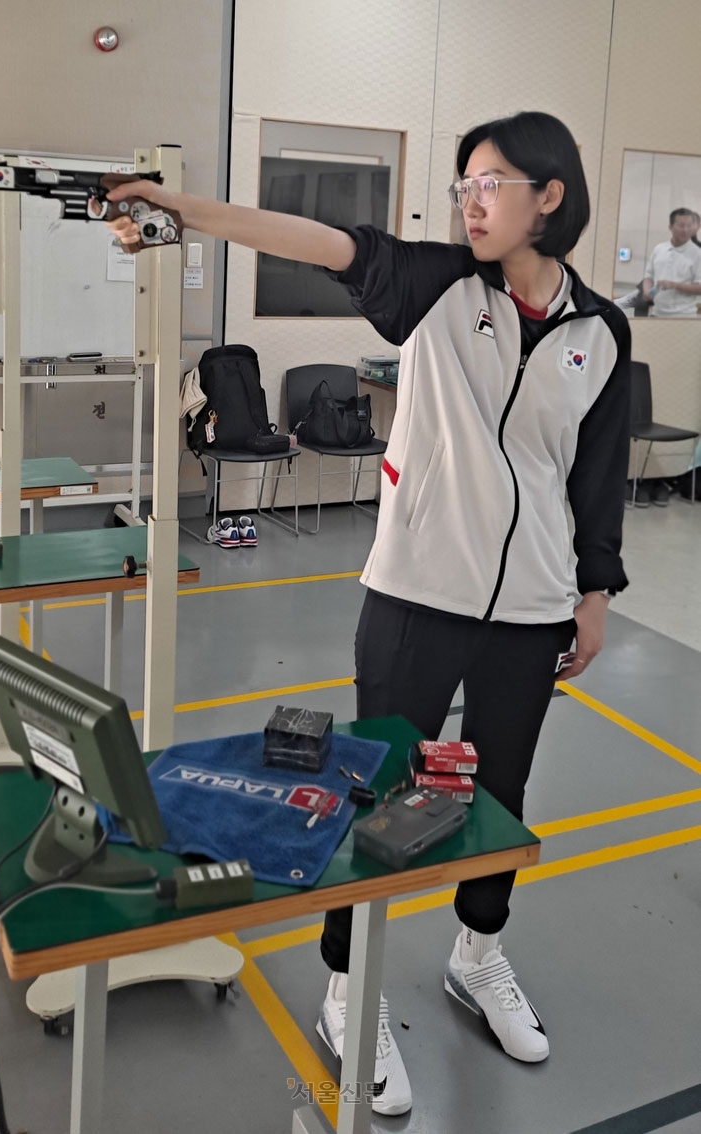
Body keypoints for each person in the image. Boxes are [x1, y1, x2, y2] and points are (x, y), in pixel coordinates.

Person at [106, 110, 630, 1118]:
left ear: (548, 195)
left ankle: (479, 955)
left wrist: (591, 596)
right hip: (413, 596)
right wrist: (181, 208)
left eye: (490, 183)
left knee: (500, 796)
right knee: (378, 796)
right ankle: (350, 986)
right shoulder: (433, 285)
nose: (470, 201)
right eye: (462, 185)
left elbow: (594, 481)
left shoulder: (597, 334)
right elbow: (312, 239)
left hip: (530, 606)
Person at [640, 208, 701, 317]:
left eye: (689, 226)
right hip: (657, 313)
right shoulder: (659, 249)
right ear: (670, 227)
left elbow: (699, 288)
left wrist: (674, 285)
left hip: (684, 316)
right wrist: (647, 291)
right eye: (681, 225)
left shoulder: (698, 254)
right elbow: (648, 275)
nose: (685, 230)